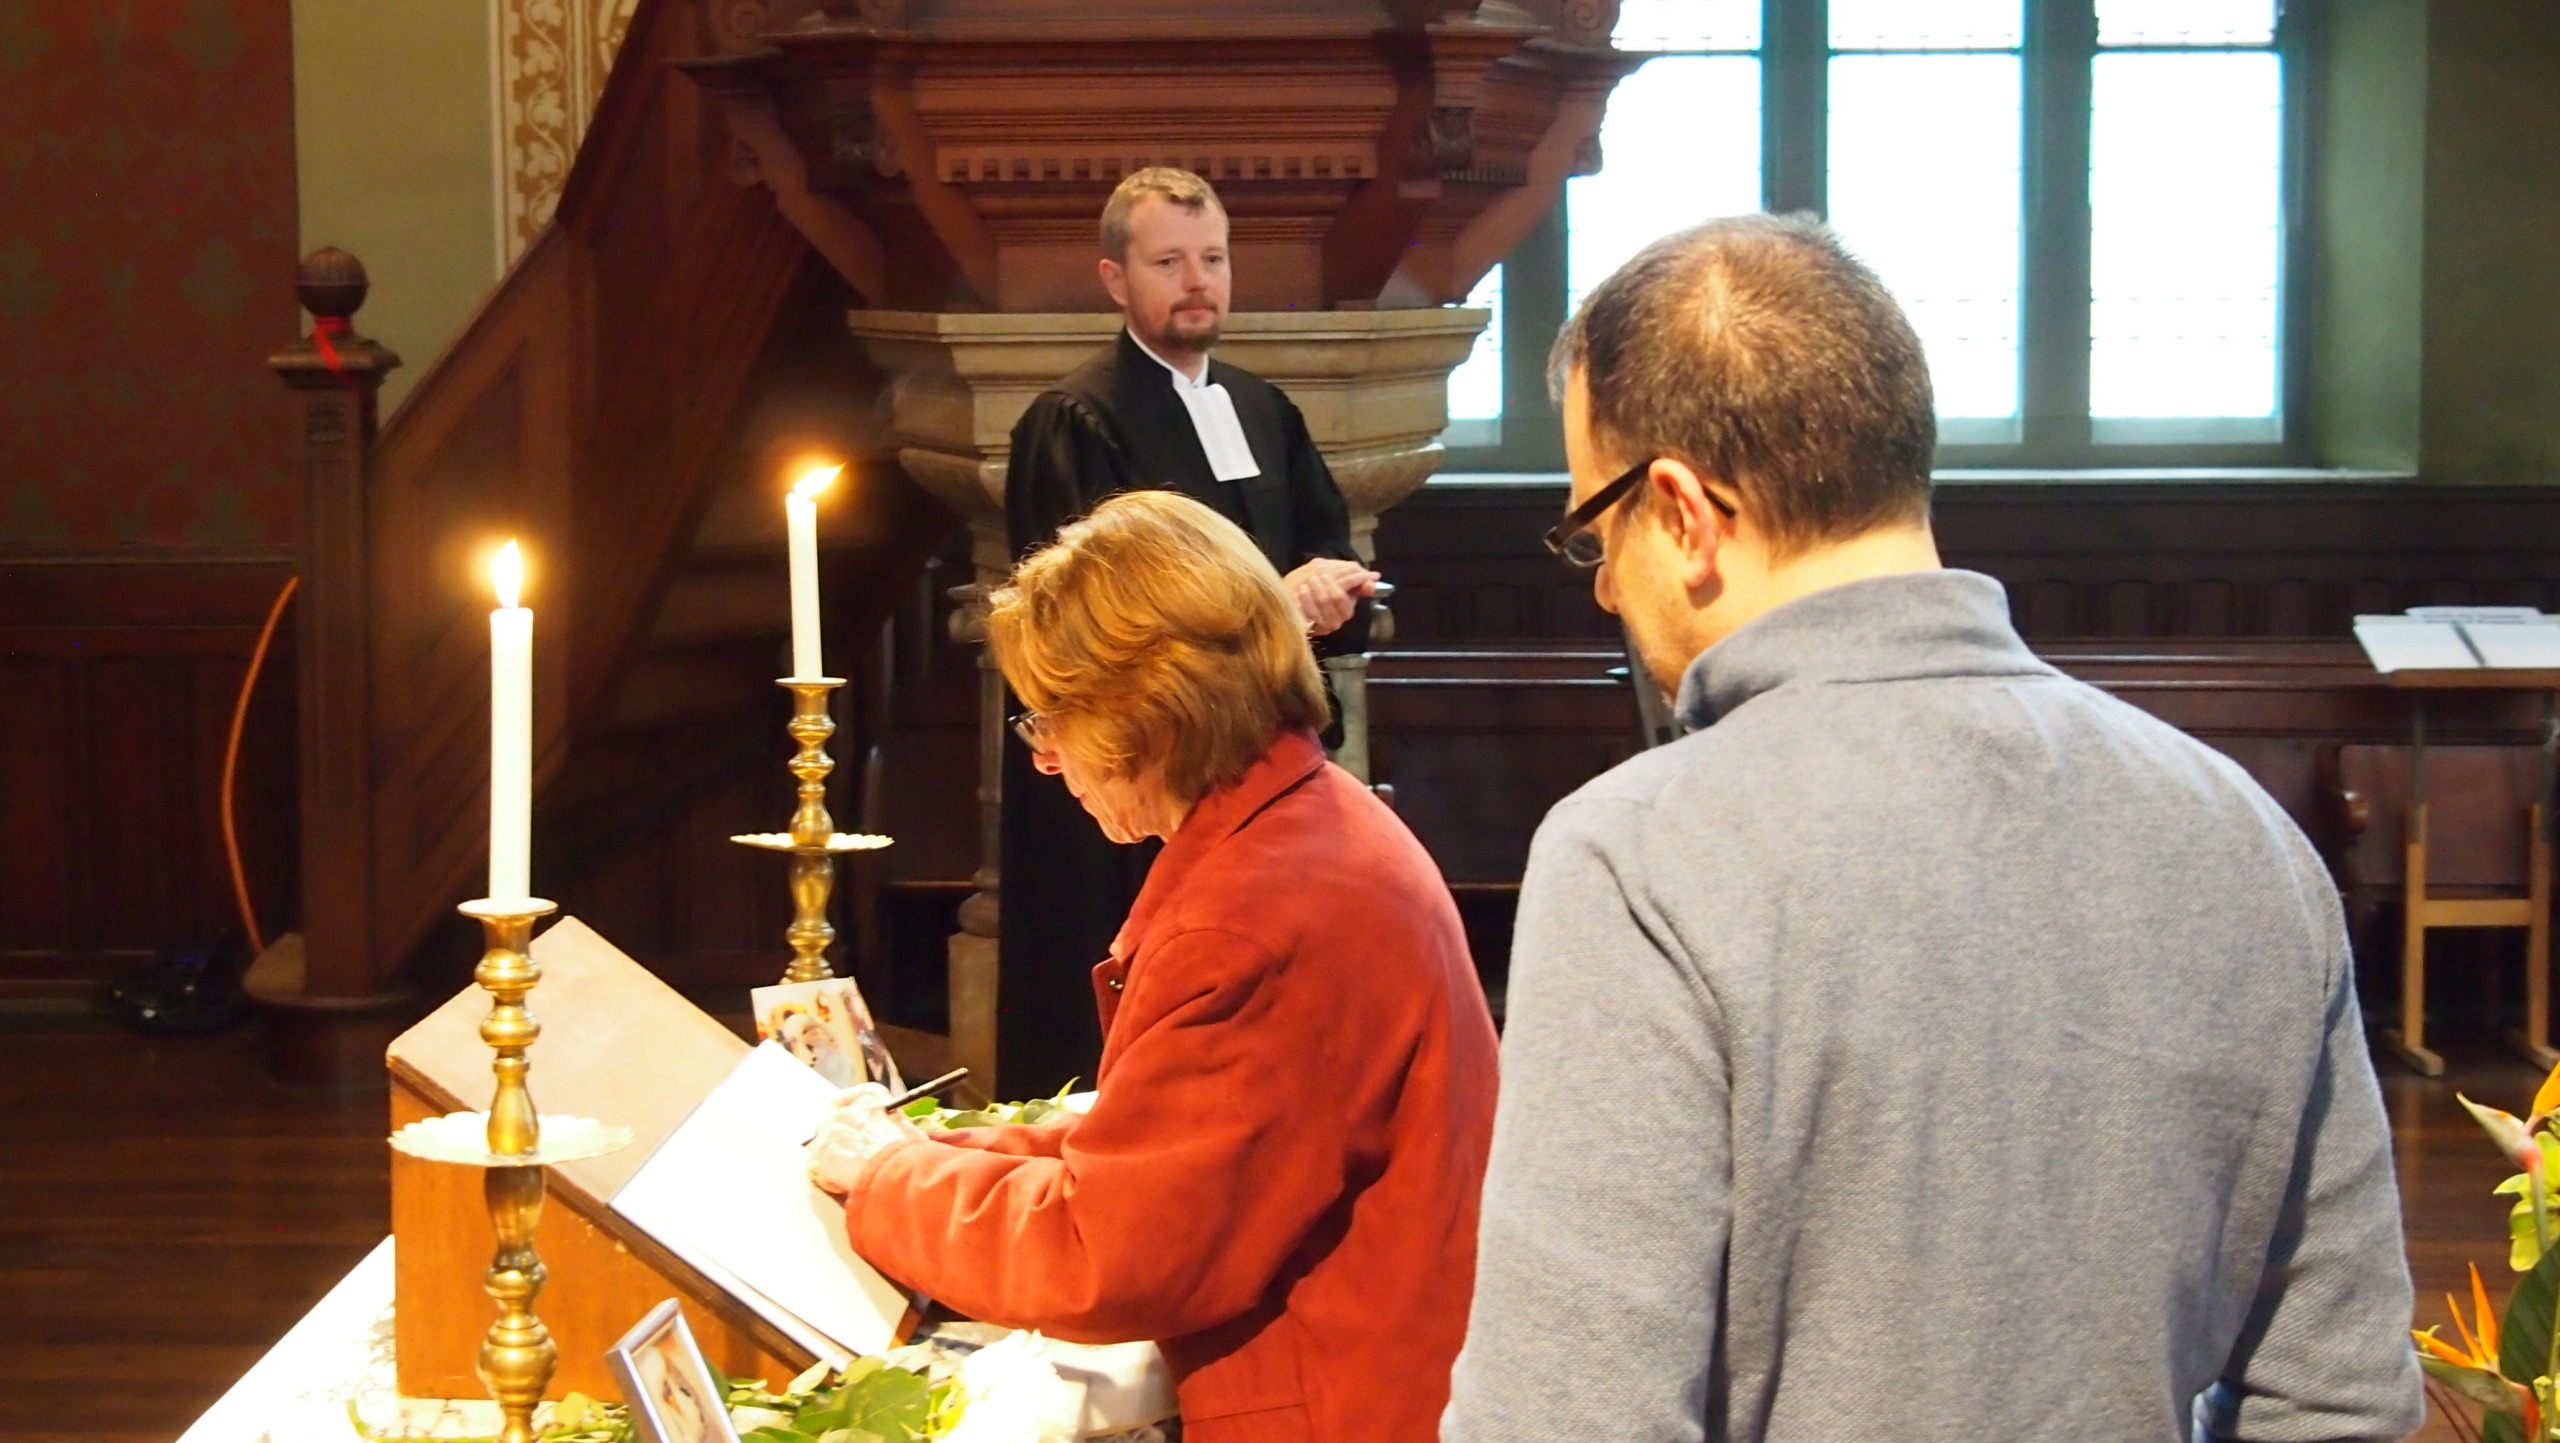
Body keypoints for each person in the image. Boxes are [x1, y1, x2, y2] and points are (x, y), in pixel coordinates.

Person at [1441, 214, 2423, 1443]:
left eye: (1597, 527)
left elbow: (1568, 1417)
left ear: (1684, 512)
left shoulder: (1639, 855)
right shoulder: (2242, 832)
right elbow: (2337, 1399)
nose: (1599, 581)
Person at [807, 491, 1497, 1442]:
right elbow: (1148, 1157)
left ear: (1150, 714)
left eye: (1052, 719)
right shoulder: (1311, 822)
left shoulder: (1254, 916)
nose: (1046, 760)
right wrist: (927, 1154)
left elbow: (1112, 1251)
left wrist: (891, 1181)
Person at [999, 166, 1380, 1095]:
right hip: (1130, 769)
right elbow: (1091, 618)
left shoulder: (1260, 407)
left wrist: (1336, 593)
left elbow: (1330, 553)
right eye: (1169, 260)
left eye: (1213, 258)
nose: (1198, 280)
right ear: (1115, 278)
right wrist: (1272, 605)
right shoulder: (1075, 419)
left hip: (1255, 762)